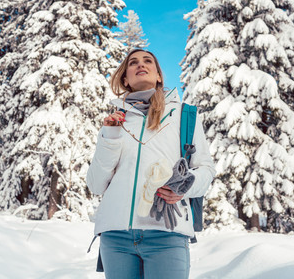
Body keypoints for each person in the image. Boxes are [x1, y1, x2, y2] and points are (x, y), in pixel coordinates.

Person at [87, 49, 215, 279]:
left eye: (148, 61)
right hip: (116, 237)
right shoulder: (115, 122)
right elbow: (96, 185)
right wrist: (111, 136)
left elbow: (205, 169)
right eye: (133, 62)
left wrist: (186, 185)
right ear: (125, 78)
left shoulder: (184, 116)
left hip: (167, 233)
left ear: (158, 76)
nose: (140, 64)